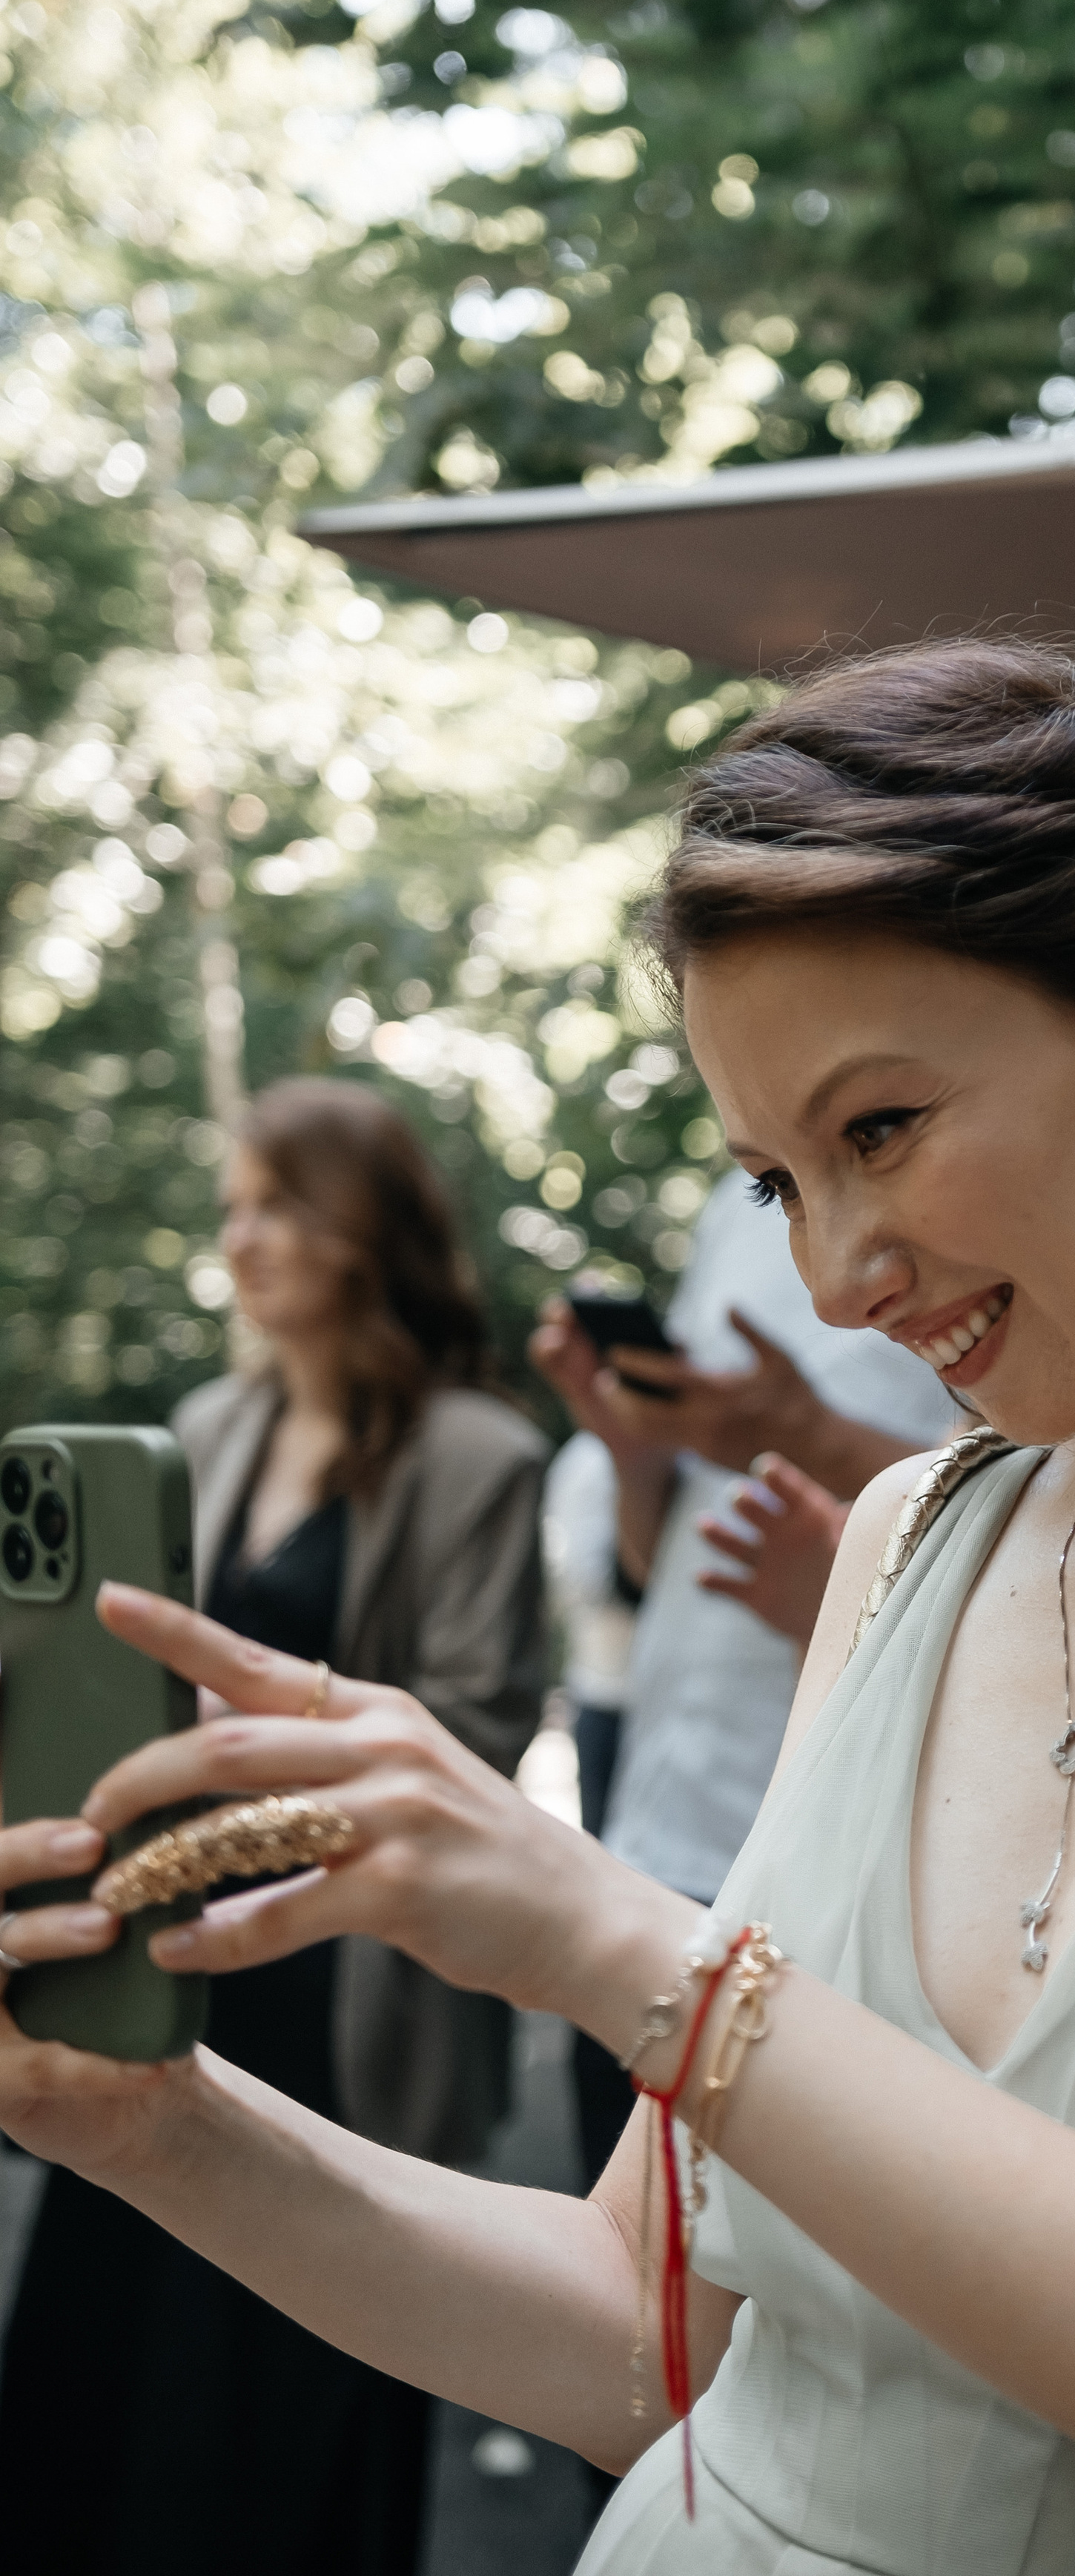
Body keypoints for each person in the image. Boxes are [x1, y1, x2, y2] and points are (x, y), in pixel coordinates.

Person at [0, 641, 1075, 2576]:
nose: (839, 1281)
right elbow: (642, 2337)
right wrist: (146, 2127)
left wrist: (623, 1947)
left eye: (880, 1131)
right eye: (776, 1182)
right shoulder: (912, 1533)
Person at [0, 1076, 546, 2576]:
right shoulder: (200, 1424)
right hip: (172, 1943)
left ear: (364, 1230)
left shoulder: (478, 1455)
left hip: (345, 1969)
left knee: (288, 2409)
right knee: (100, 2375)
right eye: (230, 1203)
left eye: (275, 1202)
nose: (240, 1236)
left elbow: (477, 1728)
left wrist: (225, 1761)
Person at [535, 1172, 955, 2184]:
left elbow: (1055, 1500)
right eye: (776, 1178)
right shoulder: (736, 1204)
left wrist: (840, 1582)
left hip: (831, 1879)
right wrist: (636, 1456)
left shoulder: (972, 1182)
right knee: (623, 2253)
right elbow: (650, 1562)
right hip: (657, 1824)